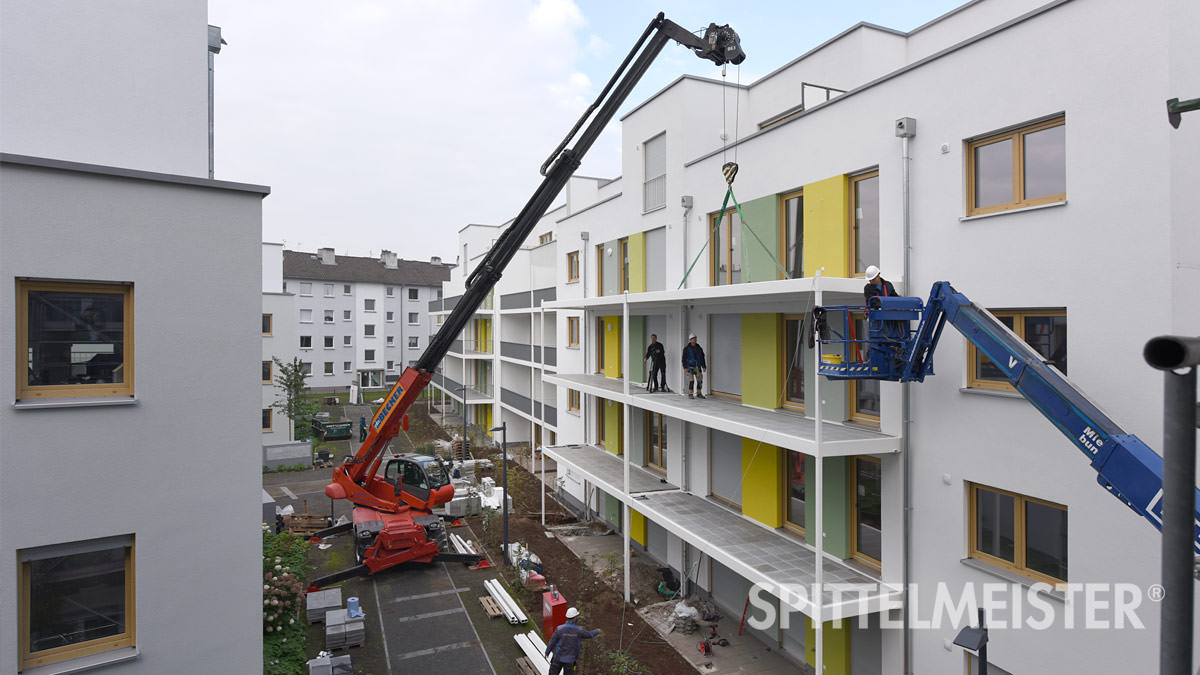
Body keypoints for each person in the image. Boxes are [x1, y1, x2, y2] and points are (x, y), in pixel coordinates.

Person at [545, 607, 600, 675]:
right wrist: (597, 631)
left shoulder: (559, 629)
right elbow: (590, 635)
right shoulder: (579, 630)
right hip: (570, 661)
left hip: (557, 657)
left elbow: (552, 642)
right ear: (575, 617)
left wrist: (547, 652)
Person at [682, 334, 707, 399]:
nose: (695, 340)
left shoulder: (699, 348)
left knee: (699, 380)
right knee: (691, 380)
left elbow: (702, 357)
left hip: (697, 367)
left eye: (695, 338)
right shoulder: (686, 349)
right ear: (690, 340)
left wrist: (704, 366)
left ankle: (699, 393)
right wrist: (685, 367)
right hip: (690, 367)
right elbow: (683, 358)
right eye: (693, 339)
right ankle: (690, 393)